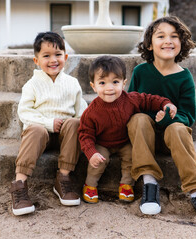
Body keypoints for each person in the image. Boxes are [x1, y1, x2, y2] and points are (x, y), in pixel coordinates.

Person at [127, 16, 196, 225]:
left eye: (174, 36)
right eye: (161, 36)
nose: (168, 41)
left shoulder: (184, 76)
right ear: (150, 44)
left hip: (174, 138)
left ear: (182, 43)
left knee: (178, 129)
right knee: (138, 119)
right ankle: (149, 182)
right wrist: (154, 116)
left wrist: (168, 117)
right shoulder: (140, 72)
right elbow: (131, 103)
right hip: (145, 139)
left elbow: (188, 114)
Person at [78, 55, 177, 204]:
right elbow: (85, 135)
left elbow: (149, 99)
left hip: (124, 142)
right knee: (98, 162)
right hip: (102, 143)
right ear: (94, 86)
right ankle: (90, 185)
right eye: (102, 83)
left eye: (115, 82)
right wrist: (91, 153)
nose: (109, 88)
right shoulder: (91, 112)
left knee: (131, 157)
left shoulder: (130, 99)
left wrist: (166, 104)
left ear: (124, 83)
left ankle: (126, 185)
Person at [9, 31, 88, 216]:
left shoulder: (72, 83)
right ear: (36, 61)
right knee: (35, 129)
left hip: (65, 137)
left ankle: (63, 178)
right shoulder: (32, 85)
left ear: (65, 57)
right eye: (46, 56)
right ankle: (20, 184)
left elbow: (81, 110)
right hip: (40, 134)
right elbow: (25, 112)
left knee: (76, 123)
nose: (53, 60)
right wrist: (48, 123)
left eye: (58, 55)